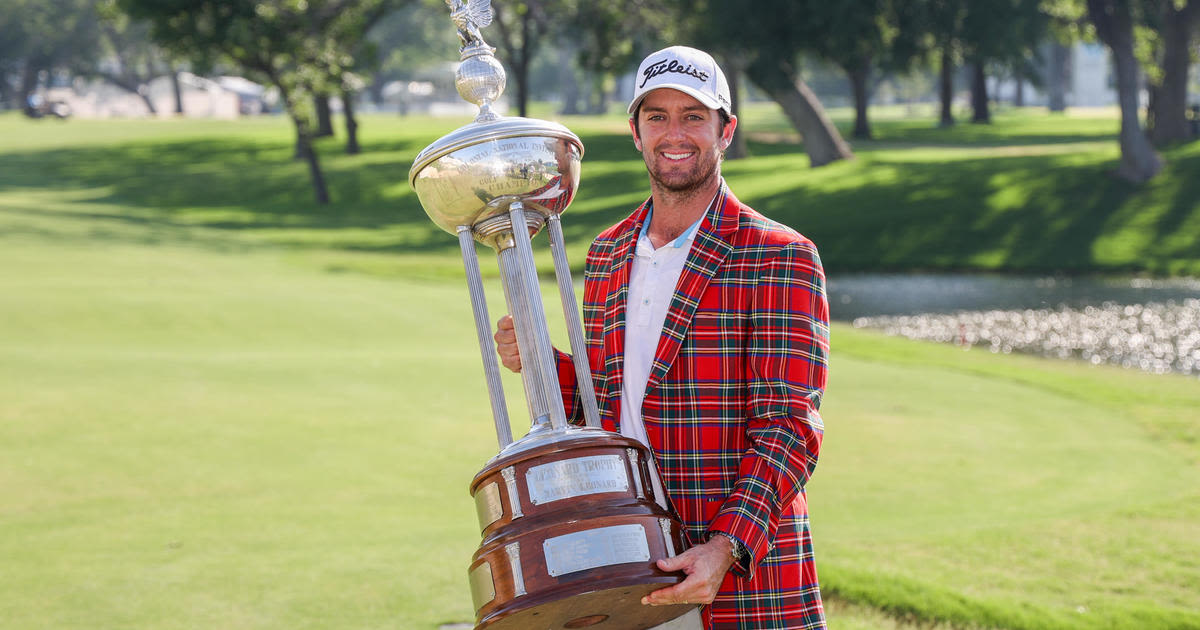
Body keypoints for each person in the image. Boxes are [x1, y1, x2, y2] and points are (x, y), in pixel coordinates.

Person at [495, 45, 829, 630]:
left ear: (725, 130)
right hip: (626, 565)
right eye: (658, 116)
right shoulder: (607, 251)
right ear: (635, 131)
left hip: (735, 576)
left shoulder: (779, 256)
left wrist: (726, 546)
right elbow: (605, 410)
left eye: (693, 116)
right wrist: (548, 367)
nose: (675, 133)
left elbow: (789, 427)